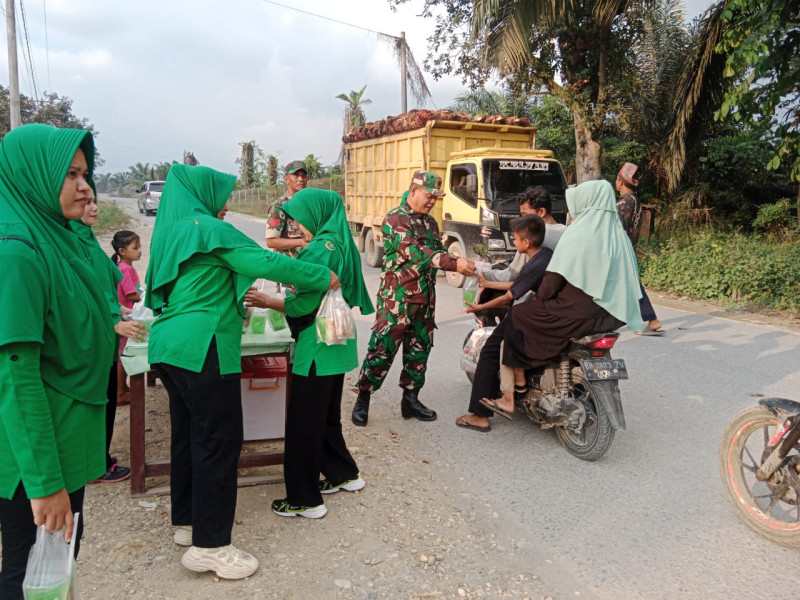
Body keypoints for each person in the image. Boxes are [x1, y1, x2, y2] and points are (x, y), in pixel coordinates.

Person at [144, 164, 339, 580]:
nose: (228, 204)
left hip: (169, 344)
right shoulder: (207, 228)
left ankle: (188, 522)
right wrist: (324, 276)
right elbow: (270, 263)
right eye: (222, 194)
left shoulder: (172, 229)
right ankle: (212, 546)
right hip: (204, 345)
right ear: (202, 194)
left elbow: (181, 287)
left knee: (189, 436)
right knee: (219, 441)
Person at [0, 124, 116, 598]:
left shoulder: (55, 235)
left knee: (55, 565)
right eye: (70, 175)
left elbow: (99, 284)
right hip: (36, 455)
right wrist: (44, 484)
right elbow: (15, 373)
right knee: (30, 574)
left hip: (62, 438)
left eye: (85, 173)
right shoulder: (18, 252)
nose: (85, 187)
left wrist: (84, 227)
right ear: (33, 177)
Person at [458, 179, 644, 431]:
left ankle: (490, 406)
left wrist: (540, 295)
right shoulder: (618, 236)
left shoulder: (578, 233)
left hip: (574, 313)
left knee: (517, 317)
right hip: (610, 315)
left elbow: (549, 285)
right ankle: (527, 379)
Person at [244, 188, 374, 518]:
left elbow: (305, 303)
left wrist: (268, 301)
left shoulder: (320, 248)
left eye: (300, 220)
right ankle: (344, 474)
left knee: (303, 424)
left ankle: (305, 499)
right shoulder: (340, 240)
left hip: (317, 346)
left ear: (315, 215)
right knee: (326, 416)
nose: (298, 227)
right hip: (337, 340)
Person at [352, 170, 476, 426]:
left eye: (435, 198)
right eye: (429, 196)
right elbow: (418, 253)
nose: (432, 201)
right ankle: (363, 398)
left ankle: (410, 400)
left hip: (425, 299)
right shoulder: (395, 218)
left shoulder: (430, 223)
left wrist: (465, 262)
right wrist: (454, 263)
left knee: (419, 351)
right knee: (382, 349)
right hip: (396, 300)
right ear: (413, 190)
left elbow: (438, 250)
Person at [71, 200, 145, 484]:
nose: (93, 207)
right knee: (94, 402)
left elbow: (103, 288)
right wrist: (114, 318)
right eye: (86, 202)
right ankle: (93, 465)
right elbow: (83, 290)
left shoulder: (84, 240)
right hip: (89, 338)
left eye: (93, 200)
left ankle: (96, 460)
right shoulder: (68, 243)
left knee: (103, 401)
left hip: (101, 336)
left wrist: (118, 311)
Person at [458, 215, 553, 432]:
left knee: (491, 349)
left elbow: (509, 296)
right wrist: (487, 281)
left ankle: (480, 415)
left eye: (516, 239)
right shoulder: (546, 256)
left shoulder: (531, 265)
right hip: (551, 312)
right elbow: (518, 283)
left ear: (526, 243)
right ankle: (518, 382)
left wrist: (480, 308)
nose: (515, 242)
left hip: (531, 314)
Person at [615, 162, 664, 335]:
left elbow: (616, 227)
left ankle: (652, 319)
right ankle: (646, 319)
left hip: (621, 250)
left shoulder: (623, 204)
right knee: (630, 284)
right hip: (630, 248)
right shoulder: (634, 200)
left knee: (631, 284)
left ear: (620, 181)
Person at [111, 230, 143, 404]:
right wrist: (145, 296)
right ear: (122, 251)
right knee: (124, 356)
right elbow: (131, 294)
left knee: (123, 354)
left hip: (128, 315)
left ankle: (123, 388)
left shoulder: (125, 267)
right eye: (135, 247)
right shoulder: (125, 269)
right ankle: (120, 392)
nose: (140, 251)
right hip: (126, 318)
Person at [265, 160, 309, 257]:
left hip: (308, 262)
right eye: (296, 175)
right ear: (286, 179)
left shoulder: (310, 204)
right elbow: (271, 241)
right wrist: (301, 242)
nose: (301, 179)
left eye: (304, 175)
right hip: (288, 264)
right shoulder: (280, 206)